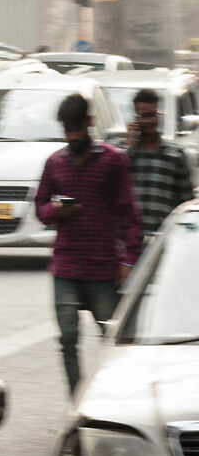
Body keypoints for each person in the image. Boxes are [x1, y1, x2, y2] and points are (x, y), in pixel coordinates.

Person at [34, 92, 141, 392]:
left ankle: (115, 400)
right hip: (66, 269)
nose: (73, 135)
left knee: (112, 340)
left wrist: (129, 261)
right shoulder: (54, 163)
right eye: (68, 130)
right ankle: (77, 404)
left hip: (104, 270)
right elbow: (40, 208)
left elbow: (130, 215)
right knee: (67, 339)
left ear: (90, 122)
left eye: (78, 128)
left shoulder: (114, 161)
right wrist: (56, 210)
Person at [124, 86, 192, 244]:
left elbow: (186, 203)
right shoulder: (125, 154)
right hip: (131, 242)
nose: (149, 122)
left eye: (153, 115)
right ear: (135, 118)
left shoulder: (175, 154)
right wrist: (131, 148)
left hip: (161, 242)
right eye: (144, 116)